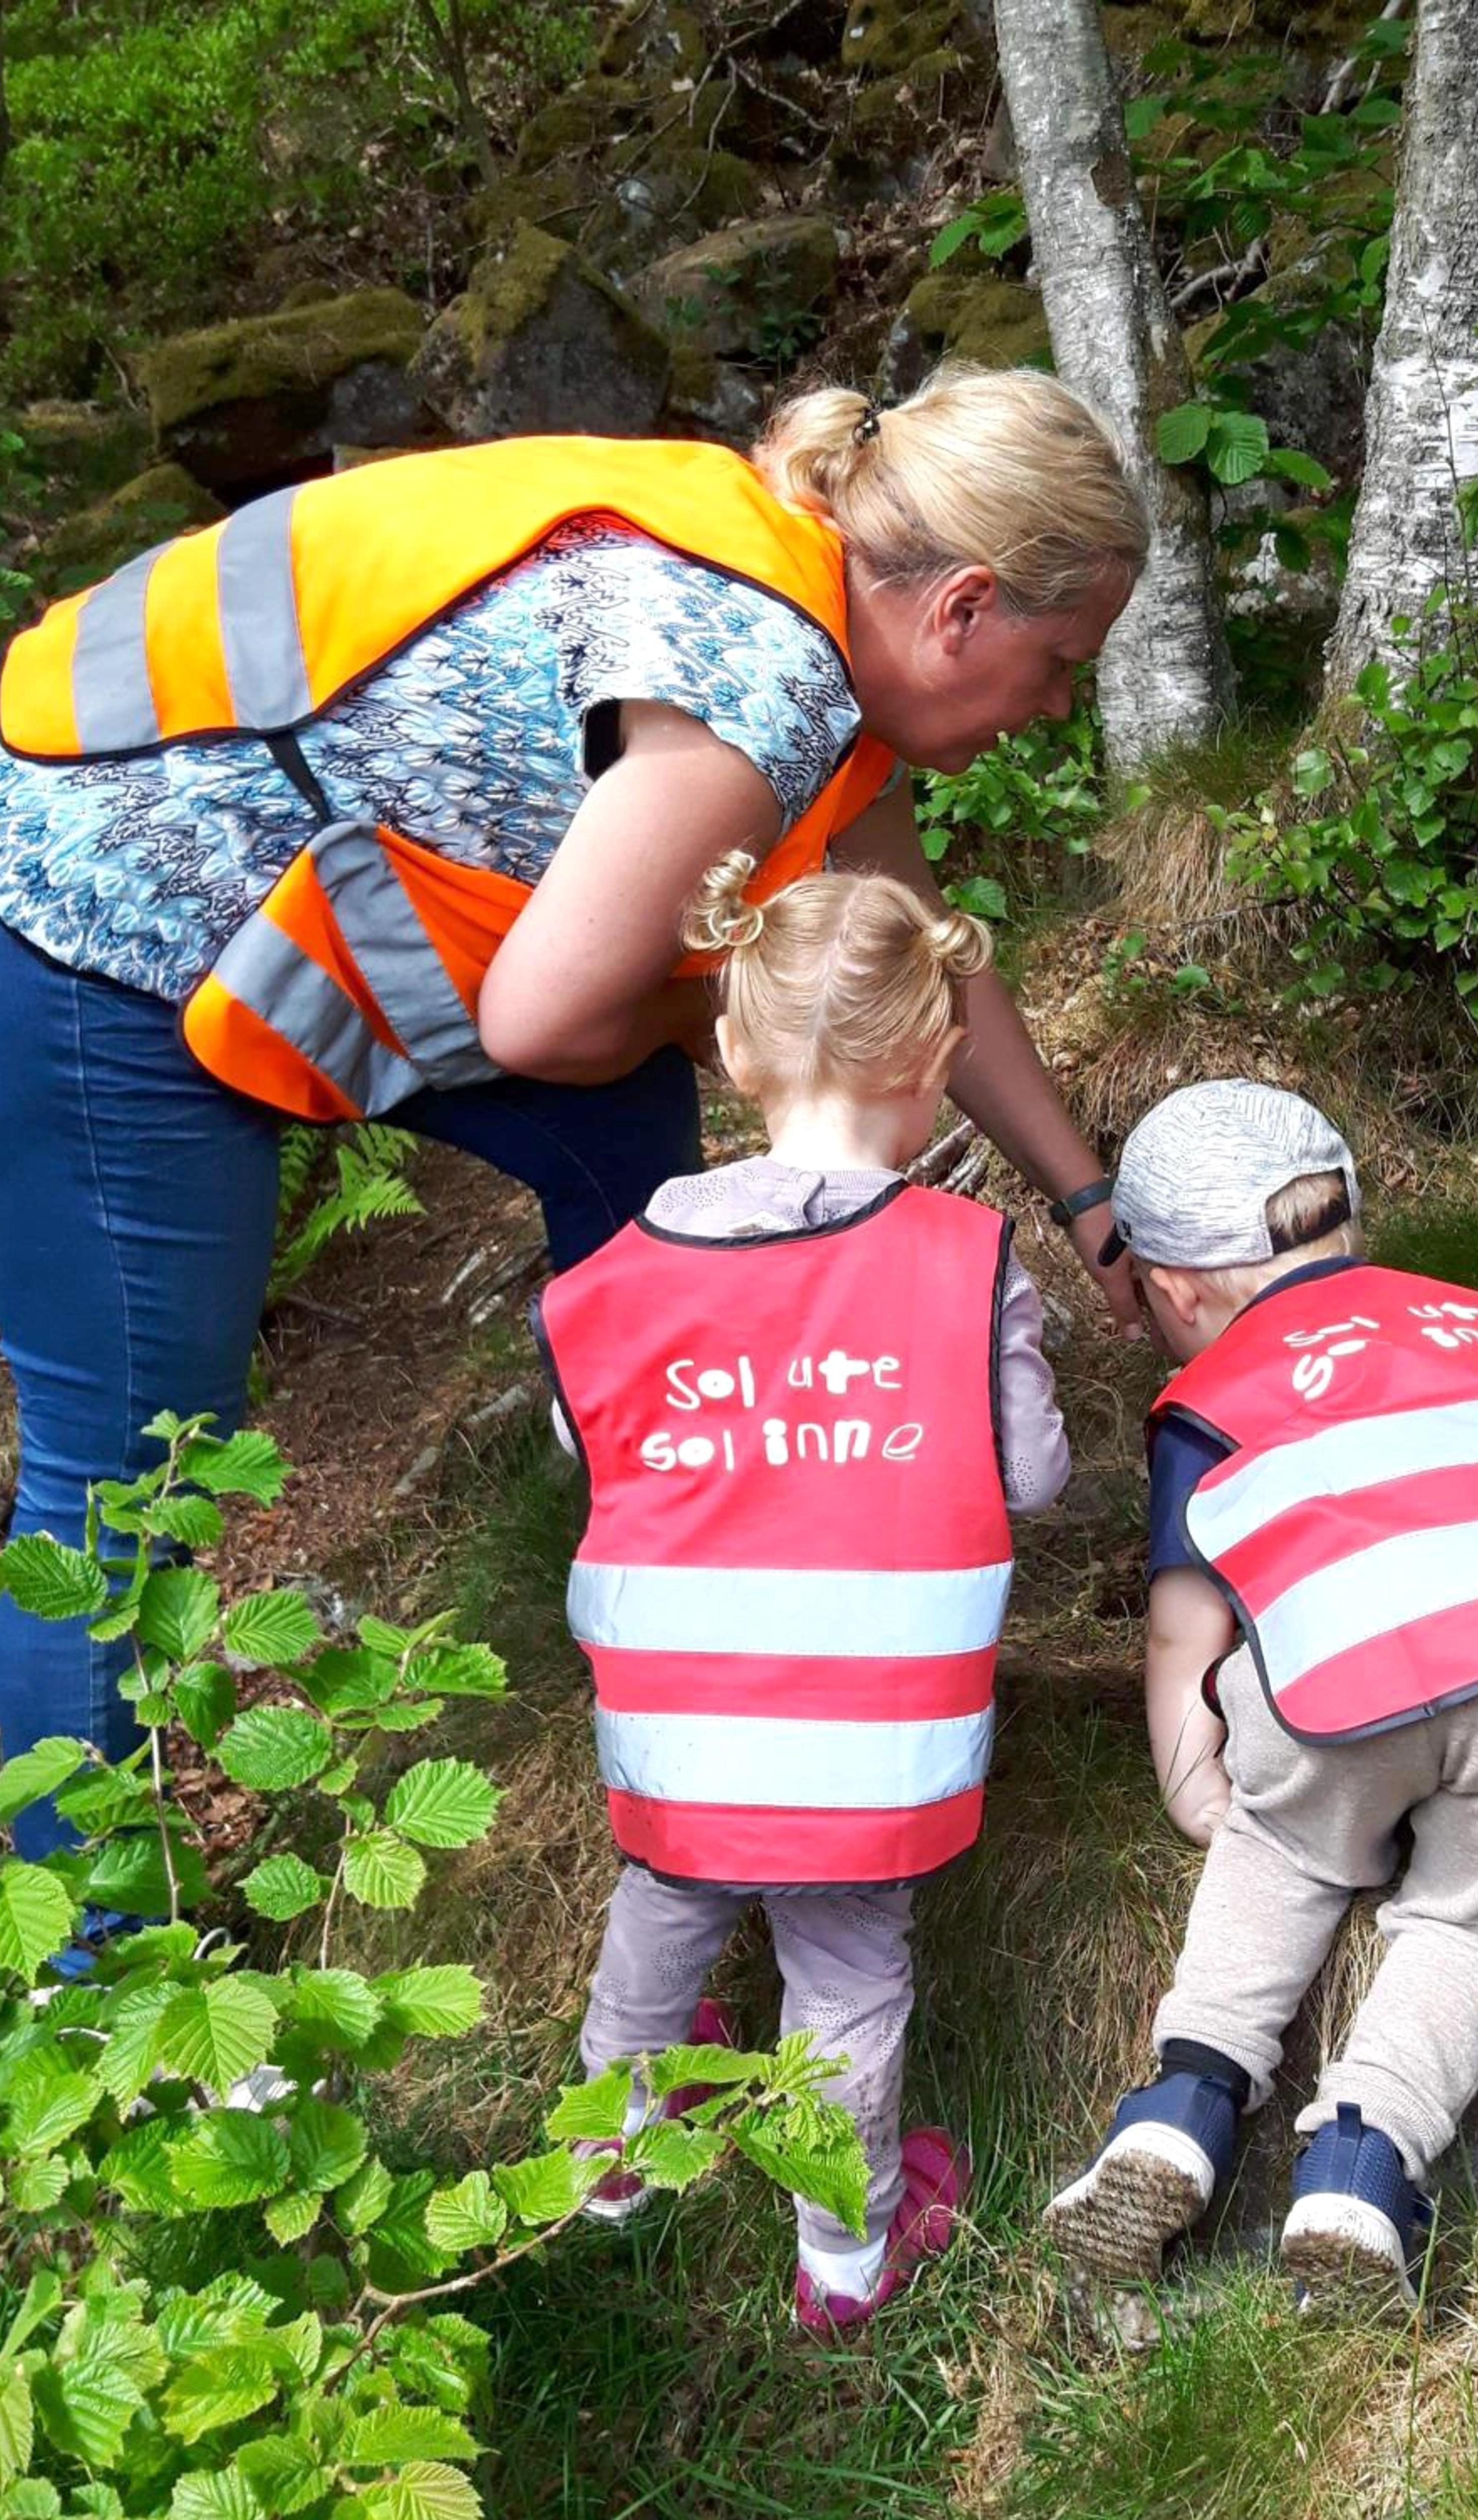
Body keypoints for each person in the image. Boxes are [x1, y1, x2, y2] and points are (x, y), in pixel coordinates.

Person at [0, 368, 1143, 1891]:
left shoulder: (818, 616)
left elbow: (924, 946)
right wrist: (704, 1011)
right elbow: (543, 1022)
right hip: (85, 929)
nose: (1060, 702)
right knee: (133, 1472)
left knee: (634, 1149)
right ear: (965, 610)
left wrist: (1084, 1197)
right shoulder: (768, 678)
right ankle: (85, 1963)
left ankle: (702, 1558)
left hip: (233, 899)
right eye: (1061, 660)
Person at [1041, 1082, 1478, 2309]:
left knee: (1282, 1845)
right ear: (1347, 1224)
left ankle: (1183, 2102)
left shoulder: (1214, 1394)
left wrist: (1199, 1778)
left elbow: (1181, 1626)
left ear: (1179, 1289)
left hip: (1353, 1688)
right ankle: (1366, 2166)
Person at [535, 853, 1068, 2333]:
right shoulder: (966, 1260)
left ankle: (609, 2162)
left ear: (732, 1048)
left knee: (664, 1907)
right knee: (845, 1969)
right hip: (867, 1739)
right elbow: (1030, 1476)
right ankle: (845, 2259)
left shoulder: (623, 1263)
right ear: (939, 1062)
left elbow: (581, 1427)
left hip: (678, 1724)